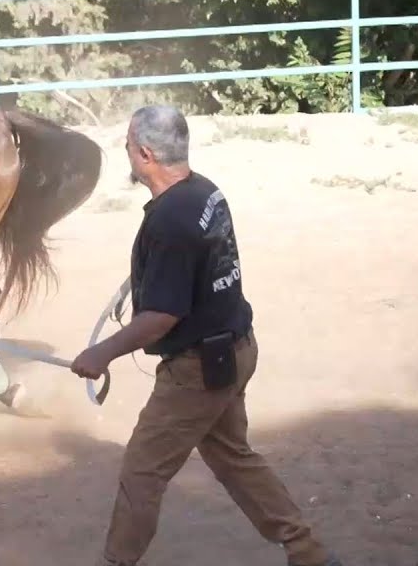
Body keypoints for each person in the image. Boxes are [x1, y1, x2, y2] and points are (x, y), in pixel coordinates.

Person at [70, 105, 342, 566]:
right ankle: (308, 551)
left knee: (143, 471)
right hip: (234, 349)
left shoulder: (170, 220)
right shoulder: (205, 193)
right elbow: (193, 270)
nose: (127, 153)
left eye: (130, 146)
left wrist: (102, 353)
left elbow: (163, 315)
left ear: (146, 154)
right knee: (233, 457)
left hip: (197, 370)